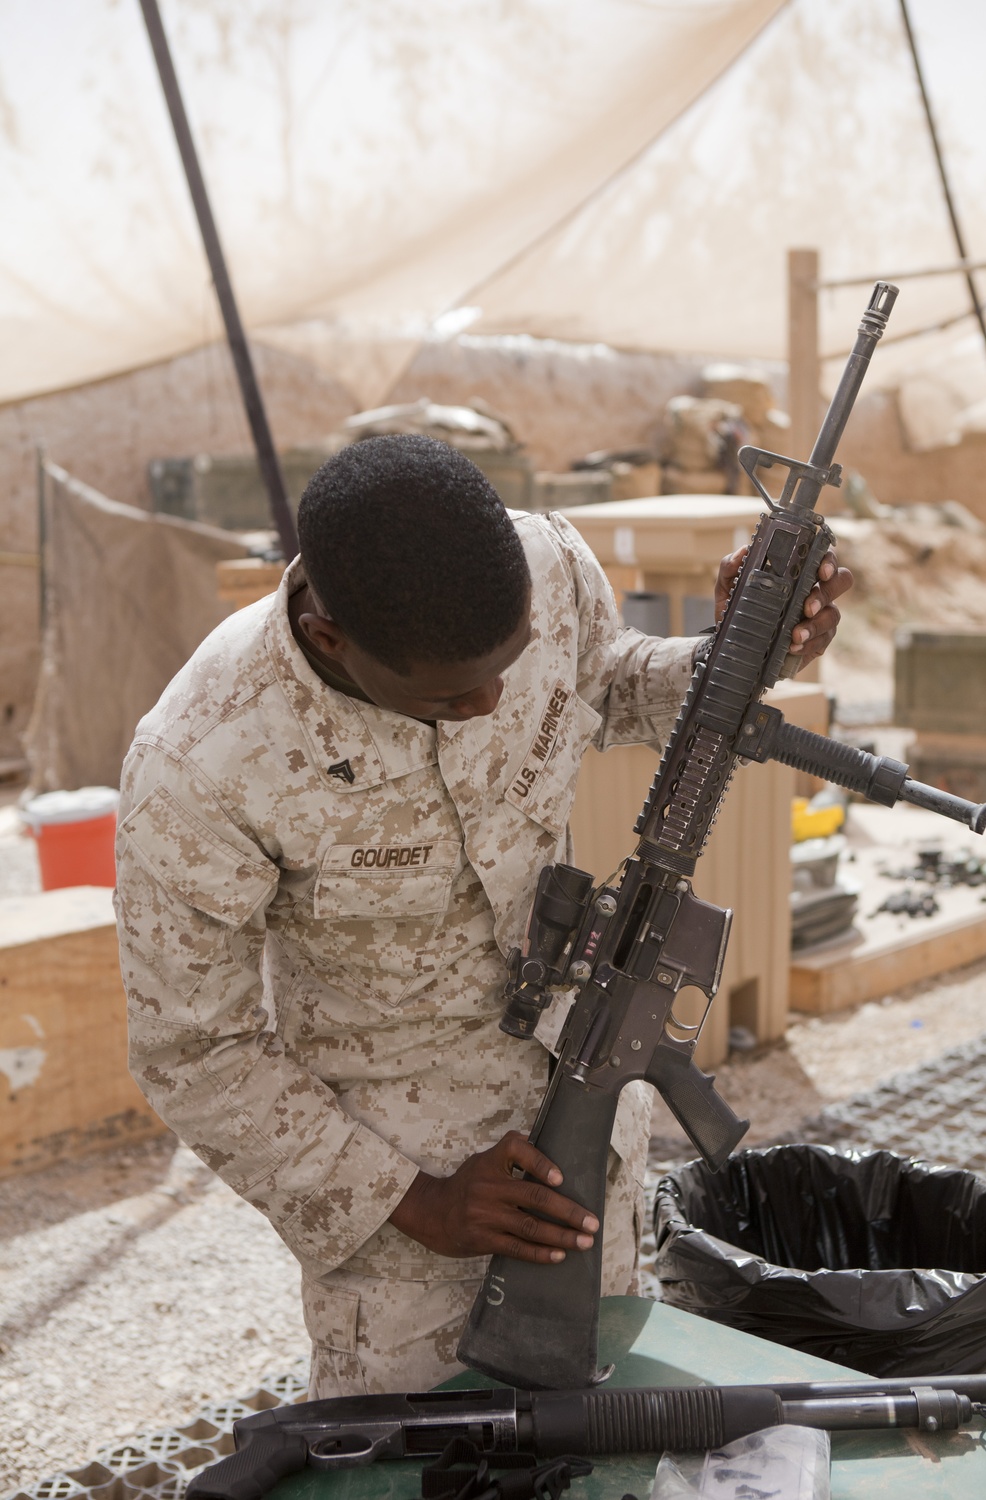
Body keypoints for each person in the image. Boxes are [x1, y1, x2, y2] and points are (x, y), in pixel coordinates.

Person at [115, 433, 849, 1396]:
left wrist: (738, 653)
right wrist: (416, 1202)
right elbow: (194, 1050)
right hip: (406, 1224)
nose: (494, 700)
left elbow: (615, 681)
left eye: (506, 667)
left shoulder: (543, 564)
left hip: (591, 1138)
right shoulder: (201, 762)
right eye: (454, 694)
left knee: (612, 1434)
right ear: (332, 639)